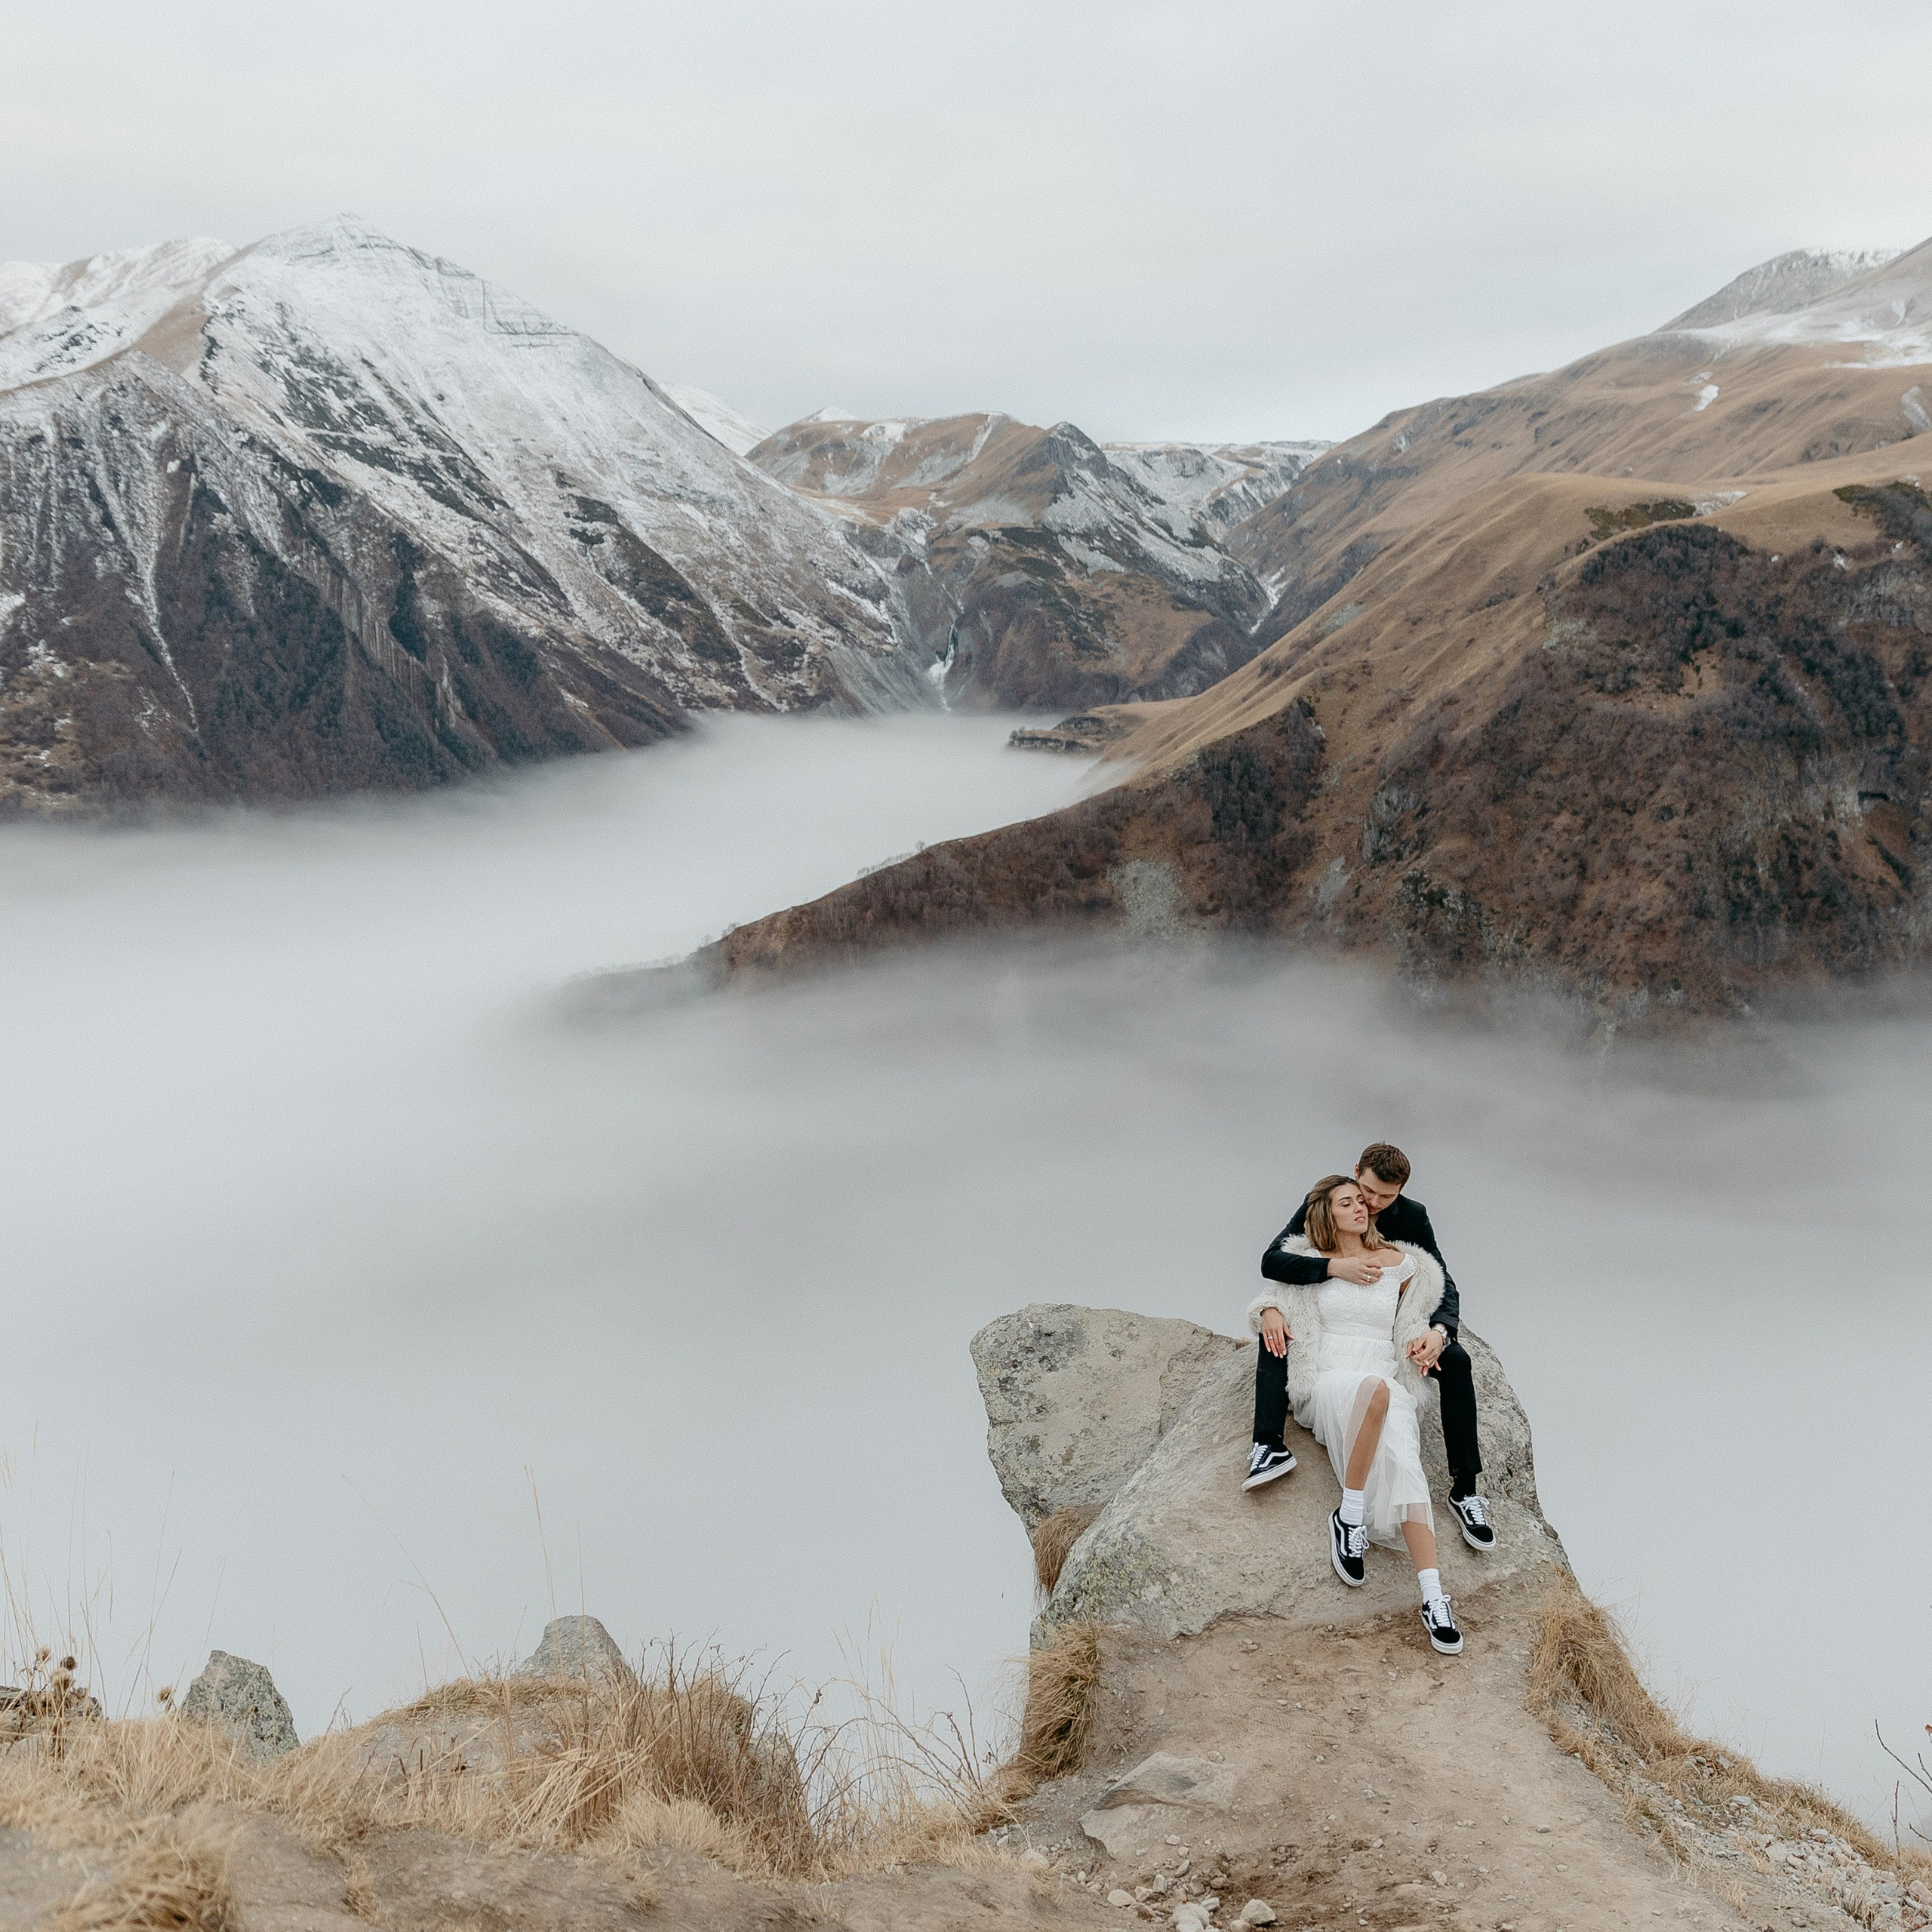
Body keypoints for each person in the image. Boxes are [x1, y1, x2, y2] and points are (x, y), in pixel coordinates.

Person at [1245, 1172, 1465, 1654]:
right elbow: (1273, 1295)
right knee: (1376, 1392)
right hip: (1329, 1375)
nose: (1361, 1207)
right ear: (1327, 1215)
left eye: (1360, 1202)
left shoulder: (1404, 1263)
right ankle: (1351, 1515)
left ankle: (1433, 1596)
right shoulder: (1309, 1260)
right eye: (1346, 1203)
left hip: (1383, 1368)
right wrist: (1268, 1312)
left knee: (1406, 1467)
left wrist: (1433, 1336)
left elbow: (1427, 1311)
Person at [1242, 1143, 1494, 1555]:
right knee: (1276, 1326)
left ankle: (1465, 1490)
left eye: (1386, 1197)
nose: (1373, 1204)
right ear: (1357, 1170)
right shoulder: (1332, 1199)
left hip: (1395, 1323)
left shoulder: (1412, 1216)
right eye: (1368, 1191)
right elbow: (1274, 1261)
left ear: (1401, 1192)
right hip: (1336, 1319)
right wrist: (1333, 1268)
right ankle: (1268, 1444)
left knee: (1457, 1361)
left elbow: (1441, 1279)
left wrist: (1440, 1331)